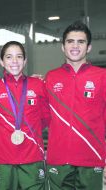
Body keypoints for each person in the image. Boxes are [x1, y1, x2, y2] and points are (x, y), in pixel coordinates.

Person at [45, 21, 106, 190]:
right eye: (70, 41)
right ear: (63, 47)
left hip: (91, 158)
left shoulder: (102, 76)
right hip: (58, 159)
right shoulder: (50, 78)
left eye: (81, 42)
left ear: (89, 47)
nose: (75, 46)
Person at [0, 41, 50, 190]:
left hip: (32, 157)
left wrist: (29, 132)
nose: (14, 61)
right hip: (1, 159)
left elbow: (46, 118)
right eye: (9, 57)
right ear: (1, 61)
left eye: (19, 56)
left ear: (25, 60)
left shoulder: (38, 85)